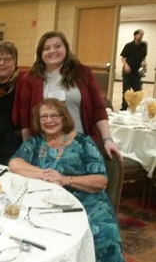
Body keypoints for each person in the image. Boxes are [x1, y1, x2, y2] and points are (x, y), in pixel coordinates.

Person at [8, 98, 123, 261]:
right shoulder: (35, 143)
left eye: (54, 116)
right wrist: (45, 174)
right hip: (44, 203)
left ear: (64, 118)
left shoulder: (83, 142)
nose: (49, 120)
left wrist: (65, 179)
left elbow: (101, 180)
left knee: (102, 234)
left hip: (87, 202)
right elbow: (14, 164)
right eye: (44, 117)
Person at [16, 31, 121, 159]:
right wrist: (28, 147)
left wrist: (107, 139)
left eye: (58, 46)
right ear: (40, 54)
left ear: (66, 48)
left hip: (80, 145)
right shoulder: (31, 79)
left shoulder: (83, 73)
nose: (52, 51)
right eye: (47, 48)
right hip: (46, 148)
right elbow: (25, 118)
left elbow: (98, 109)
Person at [120, 29, 147, 110]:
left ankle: (135, 107)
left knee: (138, 90)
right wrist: (126, 65)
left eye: (142, 35)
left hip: (137, 72)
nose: (141, 36)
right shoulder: (128, 45)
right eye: (139, 34)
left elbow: (144, 56)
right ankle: (124, 107)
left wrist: (144, 64)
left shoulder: (144, 45)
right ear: (135, 35)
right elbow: (122, 57)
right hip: (128, 71)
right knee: (126, 90)